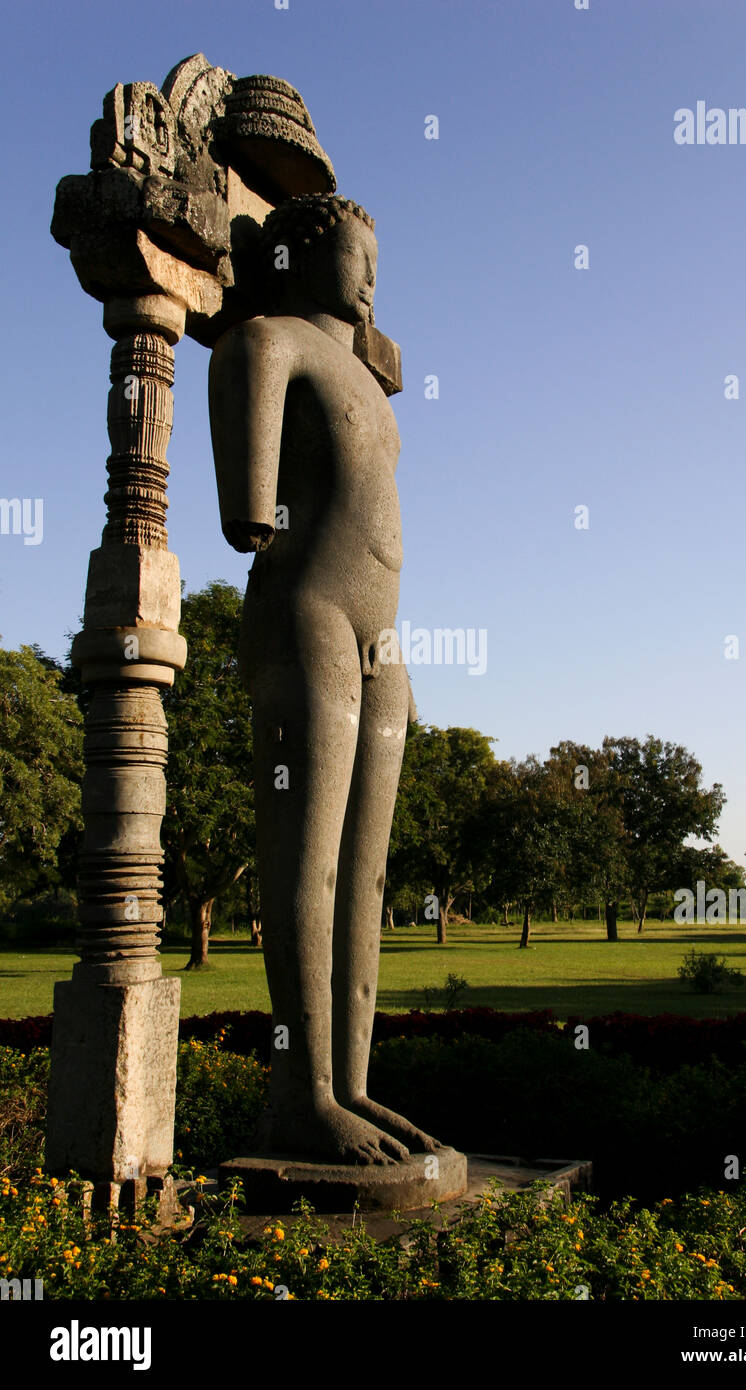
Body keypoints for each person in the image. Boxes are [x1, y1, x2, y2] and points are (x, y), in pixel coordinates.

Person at [209, 195, 439, 1164]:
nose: (370, 278)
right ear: (306, 254)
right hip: (304, 613)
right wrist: (255, 491)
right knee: (305, 856)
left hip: (378, 639)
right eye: (355, 255)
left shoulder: (370, 389)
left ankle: (350, 1083)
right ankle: (300, 1091)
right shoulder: (271, 344)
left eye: (376, 260)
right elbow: (246, 510)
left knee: (367, 873)